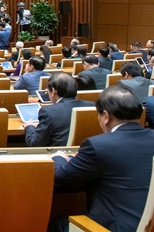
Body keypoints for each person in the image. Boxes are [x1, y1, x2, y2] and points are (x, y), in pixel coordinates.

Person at [52, 85, 154, 232]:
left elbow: (61, 176)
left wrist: (59, 157)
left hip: (113, 227)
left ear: (105, 116)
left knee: (56, 224)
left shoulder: (97, 145)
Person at [24, 73, 94, 147]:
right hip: (87, 153)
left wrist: (29, 126)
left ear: (53, 91)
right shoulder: (92, 106)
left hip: (57, 154)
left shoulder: (48, 111)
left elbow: (35, 144)